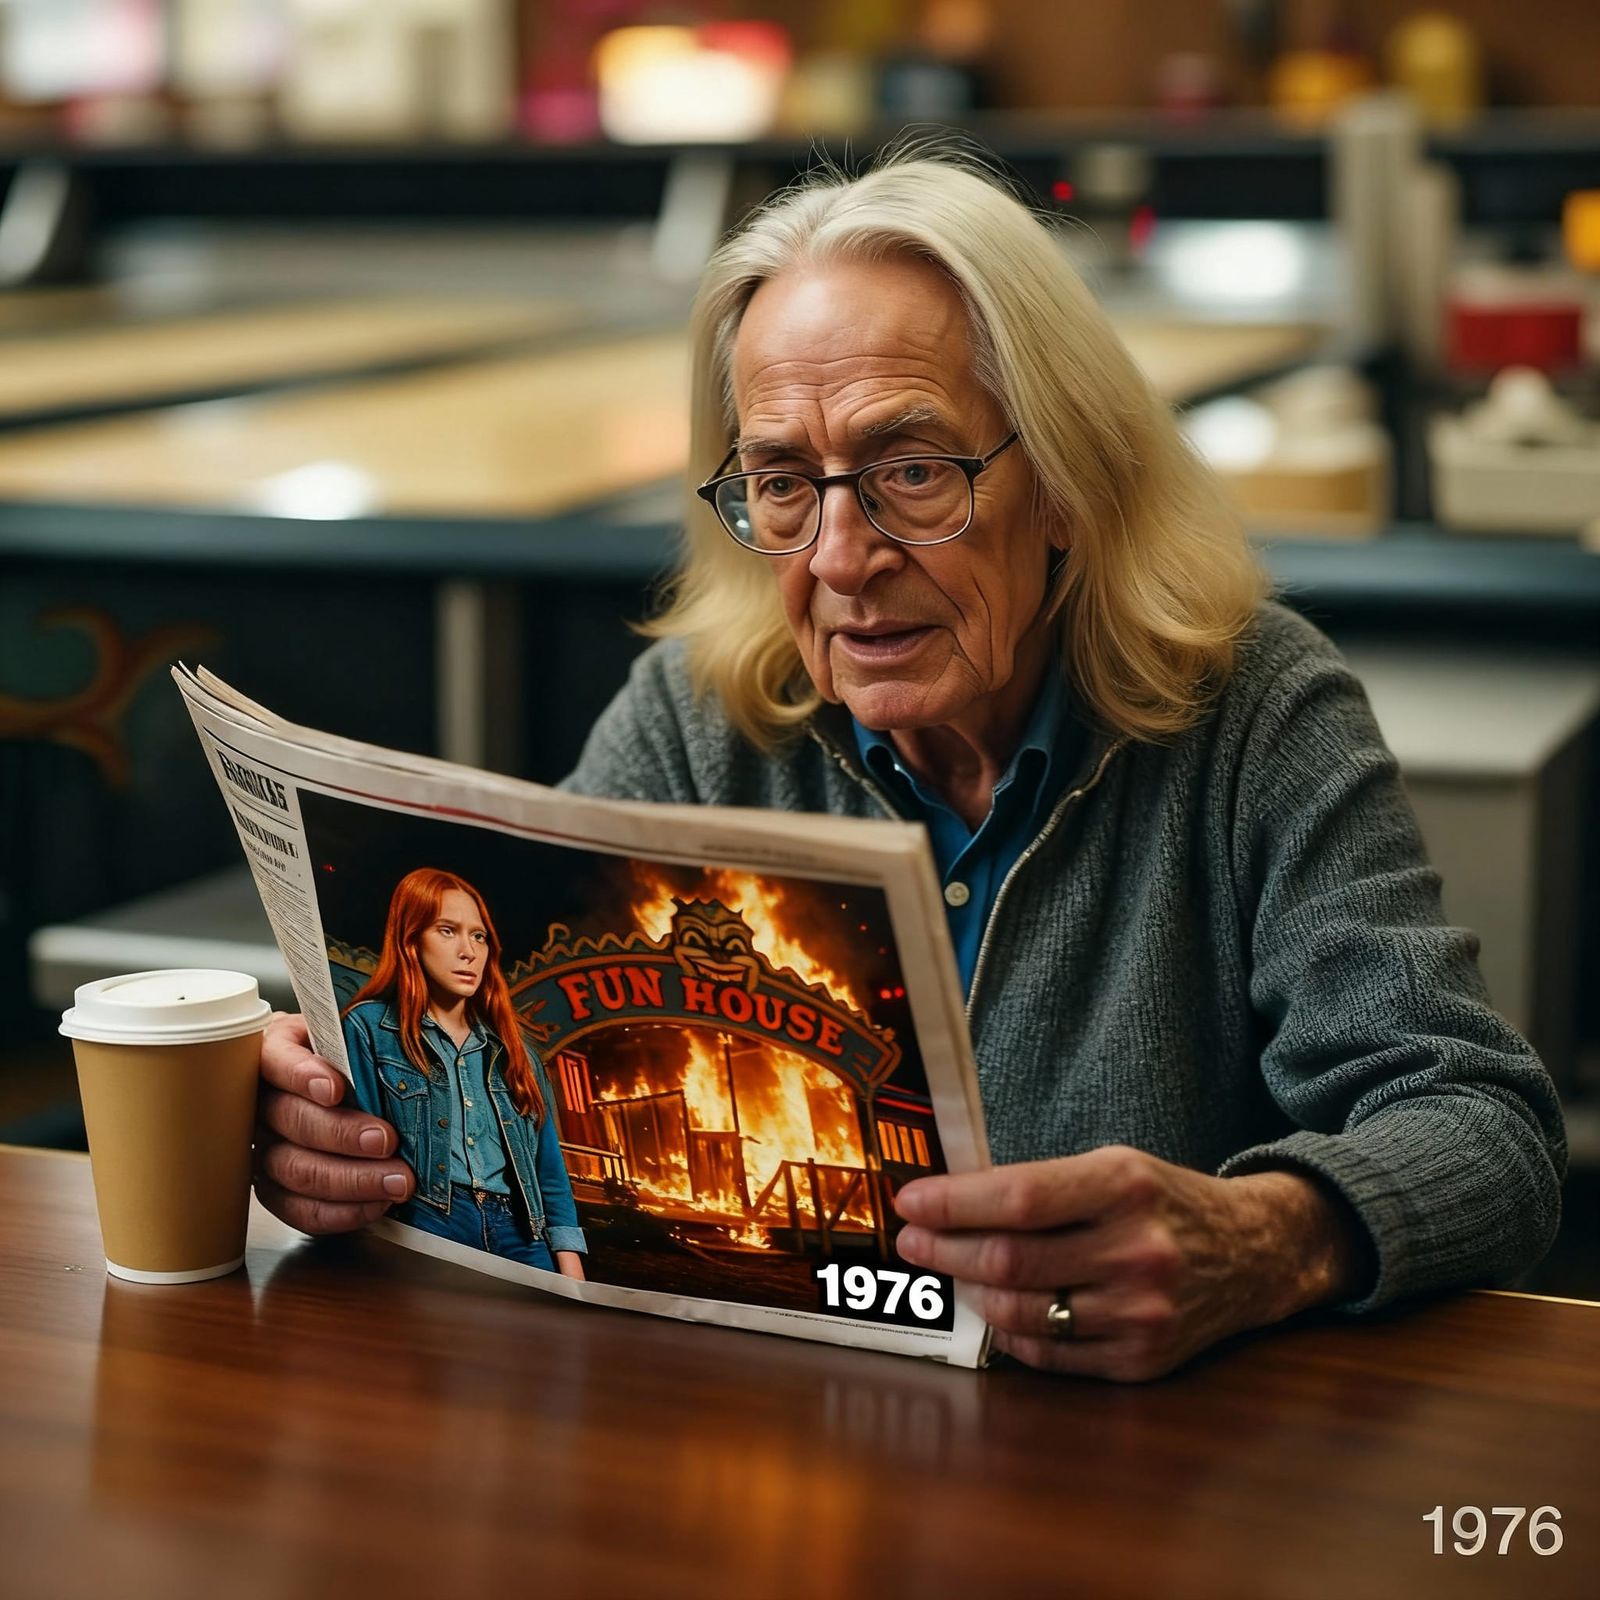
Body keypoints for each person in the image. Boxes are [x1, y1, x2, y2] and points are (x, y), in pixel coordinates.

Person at [255, 144, 1563, 1379]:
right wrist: (335, 1119)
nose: (840, 558)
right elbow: (527, 1069)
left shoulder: (1255, 716)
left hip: (1137, 1464)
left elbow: (1483, 1129)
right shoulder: (703, 716)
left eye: (915, 470)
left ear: (1066, 480)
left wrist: (1267, 1237)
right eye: (784, 482)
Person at [338, 867, 586, 1278]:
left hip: (520, 1231)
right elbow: (360, 1153)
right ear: (411, 940)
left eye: (479, 936)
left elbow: (549, 1167)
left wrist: (569, 1262)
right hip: (428, 1218)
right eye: (447, 931)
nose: (468, 951)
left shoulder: (516, 1052)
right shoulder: (369, 1028)